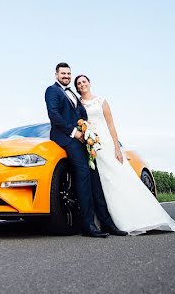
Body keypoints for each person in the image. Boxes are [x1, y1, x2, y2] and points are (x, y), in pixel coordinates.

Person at [74, 74, 175, 235]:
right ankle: (107, 220)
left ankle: (141, 217)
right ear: (77, 87)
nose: (82, 84)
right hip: (91, 146)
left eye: (84, 81)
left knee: (118, 177)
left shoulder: (101, 101)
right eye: (79, 83)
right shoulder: (78, 104)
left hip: (105, 143)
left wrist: (117, 148)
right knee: (102, 184)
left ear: (89, 83)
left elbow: (111, 124)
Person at [44, 62, 126, 238]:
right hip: (67, 139)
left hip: (83, 140)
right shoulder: (52, 91)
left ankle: (106, 222)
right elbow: (54, 115)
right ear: (56, 75)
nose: (66, 76)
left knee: (94, 179)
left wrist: (85, 130)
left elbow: (81, 114)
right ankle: (88, 225)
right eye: (63, 73)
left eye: (68, 73)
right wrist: (75, 132)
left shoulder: (73, 94)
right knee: (83, 177)